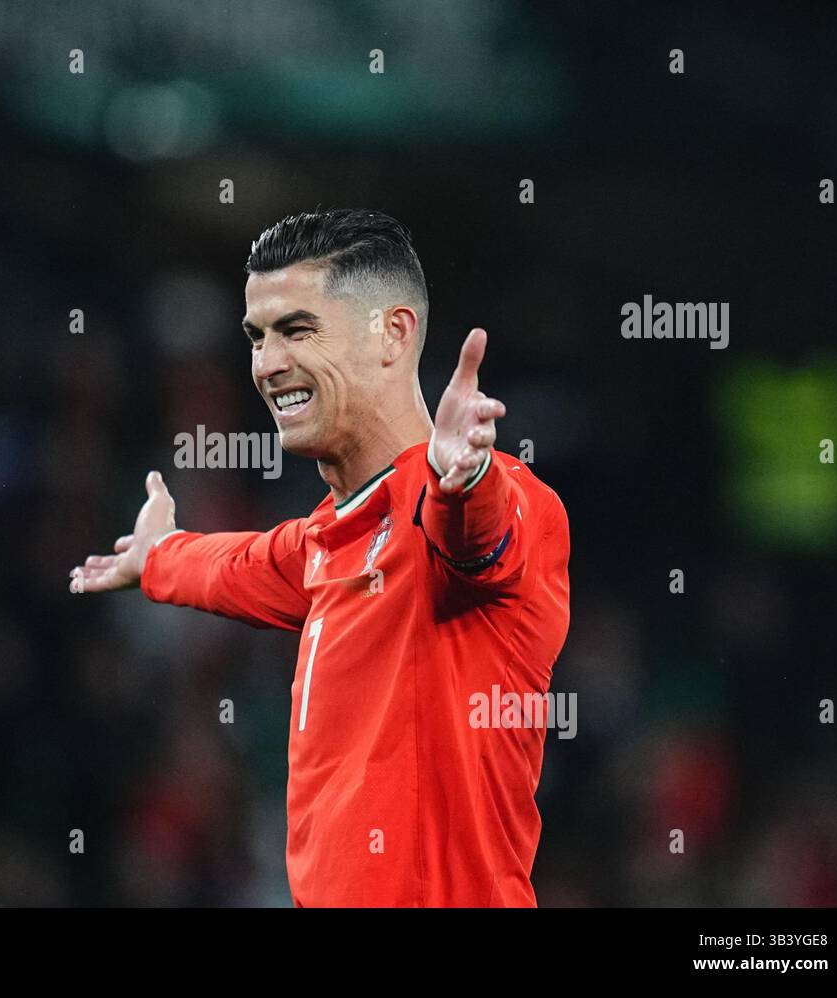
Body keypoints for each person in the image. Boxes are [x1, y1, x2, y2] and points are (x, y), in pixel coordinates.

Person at [71, 208, 571, 906]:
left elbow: (475, 542)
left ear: (393, 335)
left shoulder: (504, 501)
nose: (269, 364)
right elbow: (232, 567)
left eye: (298, 330)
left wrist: (466, 482)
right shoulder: (325, 542)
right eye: (258, 337)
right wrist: (158, 557)